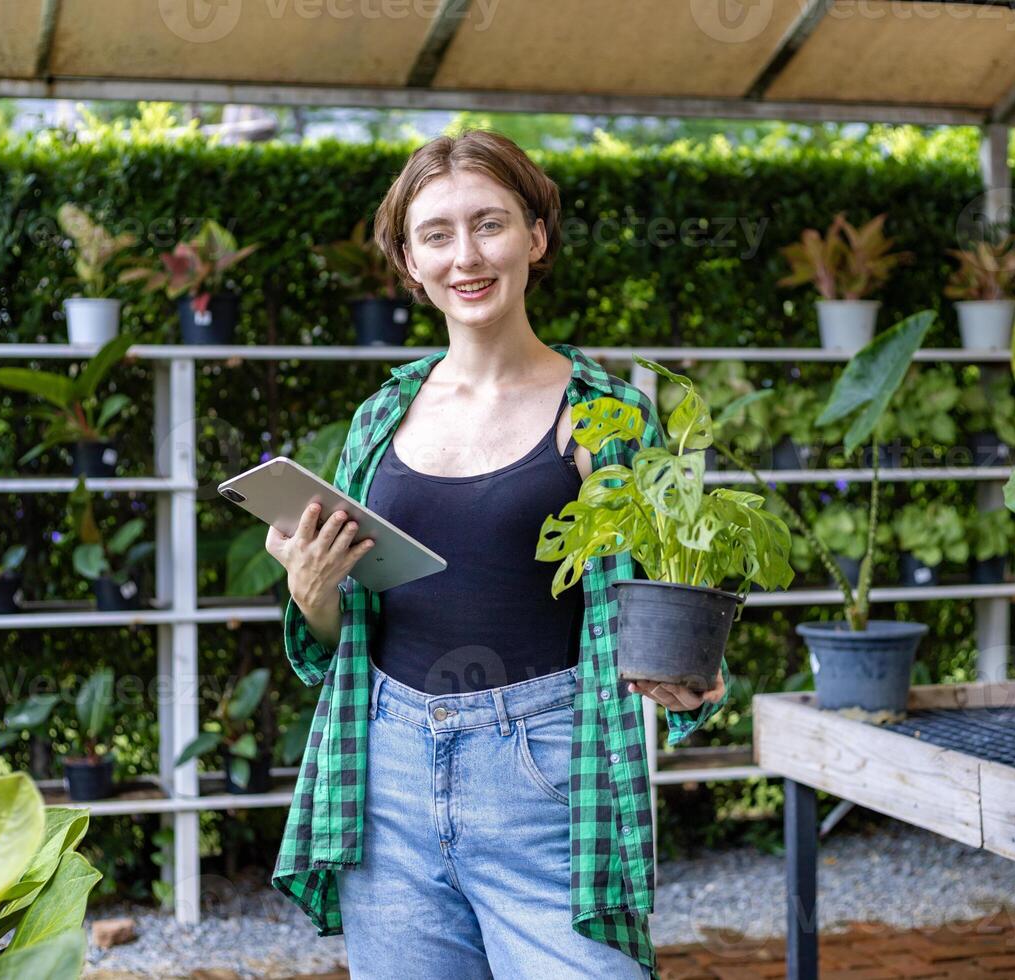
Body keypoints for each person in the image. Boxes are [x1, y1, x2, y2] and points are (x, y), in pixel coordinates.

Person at [265, 128, 729, 979]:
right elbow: (338, 633)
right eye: (436, 234)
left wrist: (691, 674)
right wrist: (311, 592)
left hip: (547, 771)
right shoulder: (382, 416)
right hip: (388, 772)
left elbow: (675, 583)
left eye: (491, 224)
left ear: (536, 237)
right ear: (409, 261)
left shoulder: (607, 414)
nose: (465, 255)